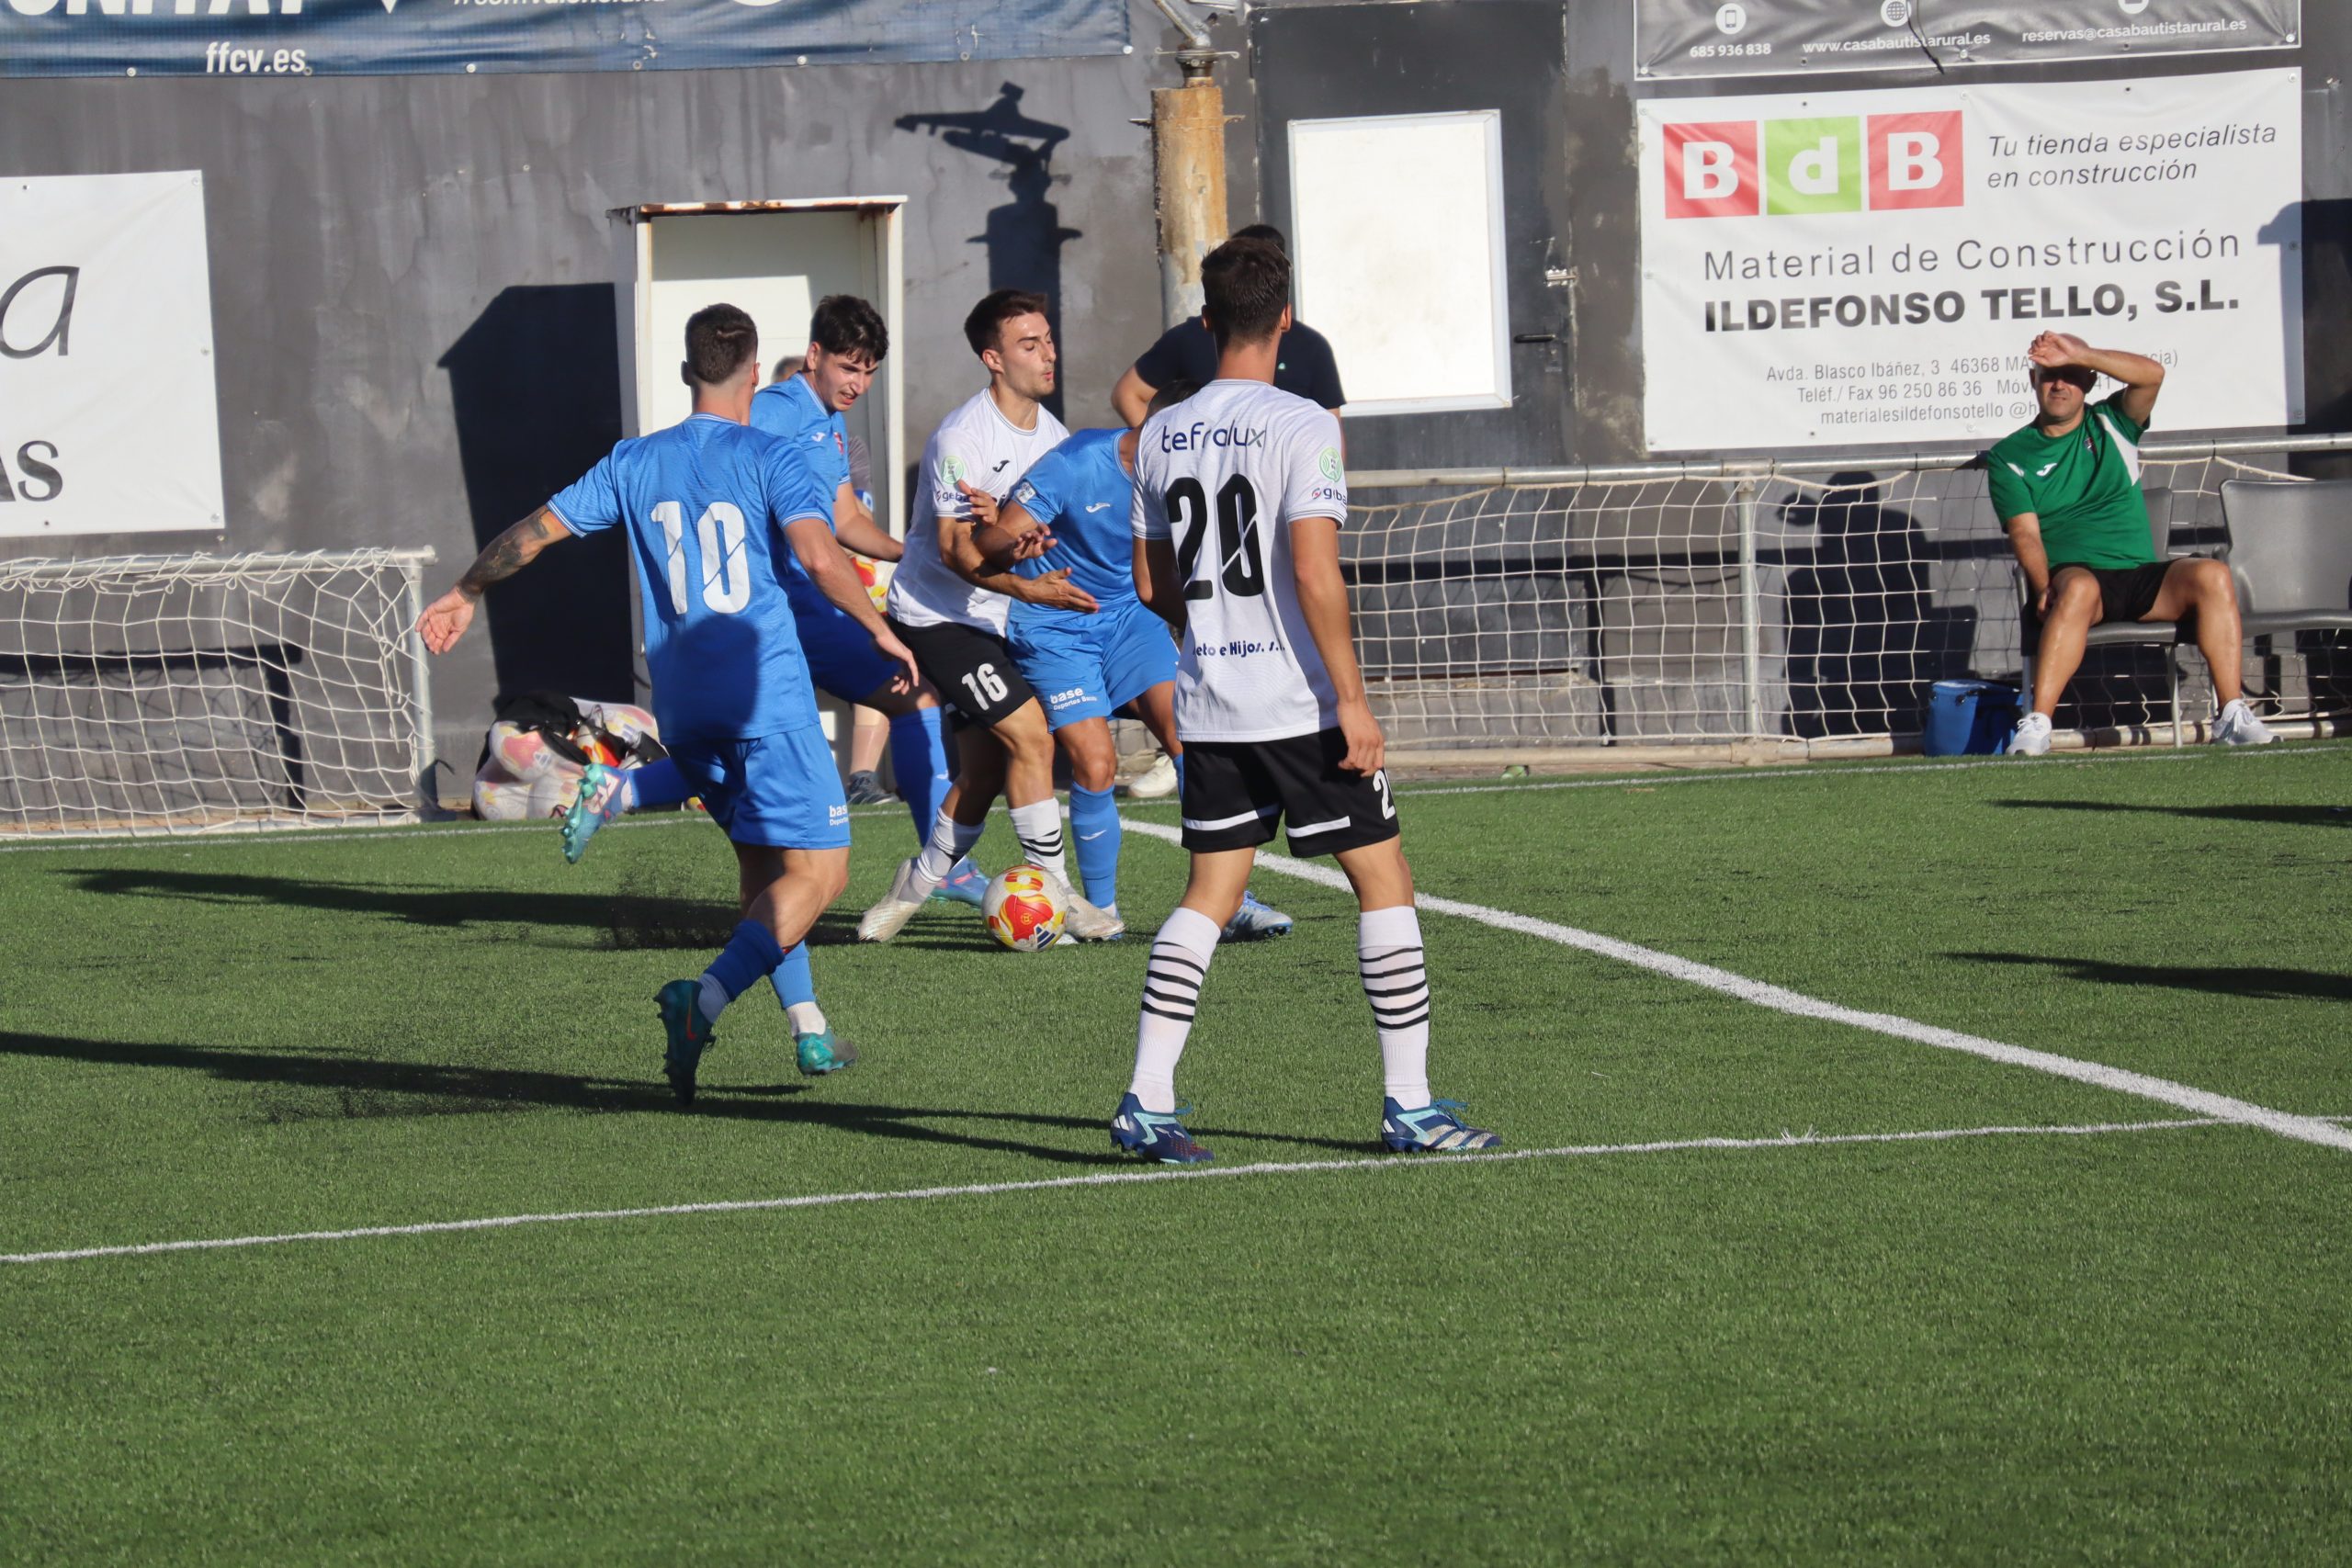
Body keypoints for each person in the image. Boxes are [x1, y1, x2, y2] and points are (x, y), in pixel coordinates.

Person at [417, 302, 917, 1100]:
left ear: (689, 372)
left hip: (685, 709)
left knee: (765, 873)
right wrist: (880, 628)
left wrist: (464, 590)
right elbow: (823, 558)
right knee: (823, 874)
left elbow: (532, 535)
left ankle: (809, 1027)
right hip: (766, 703)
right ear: (757, 371)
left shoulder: (633, 461)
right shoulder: (773, 453)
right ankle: (702, 1001)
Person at [1110, 237, 1498, 1164]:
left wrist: (1214, 623)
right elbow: (1317, 574)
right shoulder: (1303, 423)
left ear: (1207, 323)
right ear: (1284, 320)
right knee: (1384, 879)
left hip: (1210, 703)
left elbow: (1151, 585)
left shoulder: (1159, 433)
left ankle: (1146, 1099)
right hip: (1299, 706)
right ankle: (1409, 1105)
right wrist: (1352, 701)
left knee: (1209, 894)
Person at [971, 380, 1297, 940]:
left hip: (1129, 618)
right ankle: (1100, 913)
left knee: (1193, 738)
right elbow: (993, 542)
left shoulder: (1187, 473)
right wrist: (1012, 546)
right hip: (1055, 623)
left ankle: (1229, 900)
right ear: (1159, 427)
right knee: (1097, 763)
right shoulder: (1078, 462)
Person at [856, 288, 1123, 942]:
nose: (1047, 353)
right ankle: (1058, 898)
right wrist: (1026, 588)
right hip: (938, 615)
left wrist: (1025, 544)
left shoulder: (1056, 440)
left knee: (983, 771)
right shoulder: (962, 439)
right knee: (1032, 738)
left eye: (1048, 339)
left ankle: (916, 883)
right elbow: (954, 552)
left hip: (1000, 616)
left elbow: (1038, 538)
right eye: (1029, 344)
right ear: (993, 359)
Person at [1989, 332, 2274, 755]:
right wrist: (2044, 585)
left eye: (2071, 375)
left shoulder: (2113, 422)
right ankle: (2037, 725)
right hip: (2077, 581)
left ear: (2089, 380)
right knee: (2079, 587)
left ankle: (2231, 714)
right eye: (2049, 376)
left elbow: (2151, 375)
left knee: (2213, 574)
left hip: (2140, 577)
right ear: (2034, 381)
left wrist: (2083, 353)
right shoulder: (2009, 454)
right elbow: (2025, 533)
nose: (2059, 385)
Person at [1109, 224, 1346, 430]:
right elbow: (1127, 394)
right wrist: (1161, 448)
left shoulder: (1311, 347)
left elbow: (1331, 435)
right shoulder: (1186, 338)